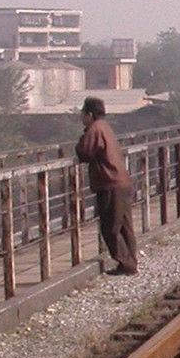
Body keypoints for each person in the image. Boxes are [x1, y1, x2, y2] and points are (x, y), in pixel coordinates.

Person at [76, 96, 138, 275]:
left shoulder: (95, 129)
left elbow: (84, 153)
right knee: (125, 226)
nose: (81, 117)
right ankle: (130, 262)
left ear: (89, 114)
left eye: (82, 113)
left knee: (110, 227)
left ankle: (126, 264)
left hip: (110, 182)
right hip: (122, 181)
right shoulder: (105, 127)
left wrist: (82, 136)